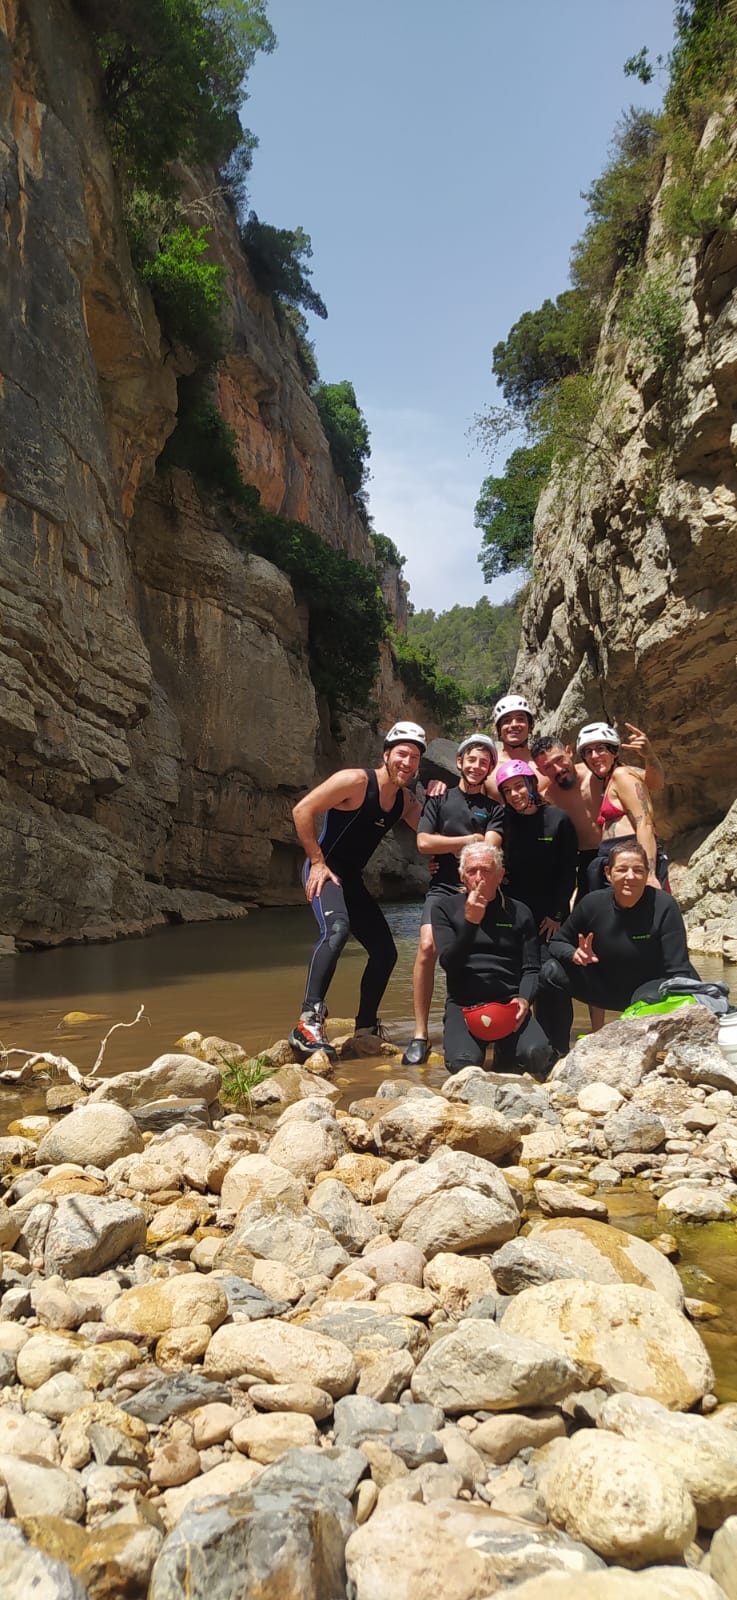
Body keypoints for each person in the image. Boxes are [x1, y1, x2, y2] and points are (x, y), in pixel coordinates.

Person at [288, 721, 425, 1059]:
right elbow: (302, 810)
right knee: (336, 929)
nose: (407, 763)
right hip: (325, 870)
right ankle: (308, 1021)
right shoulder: (356, 781)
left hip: (352, 879)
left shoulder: (404, 801)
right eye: (402, 754)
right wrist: (317, 862)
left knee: (385, 951)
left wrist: (439, 795)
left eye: (415, 758)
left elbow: (431, 832)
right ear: (387, 754)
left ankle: (364, 1028)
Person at [538, 840, 698, 1057]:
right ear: (608, 873)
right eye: (622, 869)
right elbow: (557, 943)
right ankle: (555, 1054)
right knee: (550, 972)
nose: (630, 877)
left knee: (649, 997)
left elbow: (678, 969)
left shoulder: (664, 905)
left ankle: (646, 1056)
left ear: (647, 874)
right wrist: (575, 954)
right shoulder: (593, 903)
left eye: (638, 870)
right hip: (604, 985)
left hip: (649, 989)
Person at [401, 734, 498, 1067]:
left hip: (480, 889)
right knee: (427, 948)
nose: (476, 766)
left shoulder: (494, 808)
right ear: (459, 762)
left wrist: (464, 846)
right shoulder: (438, 799)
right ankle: (419, 1034)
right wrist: (468, 840)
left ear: (490, 769)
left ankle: (482, 1023)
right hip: (442, 887)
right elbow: (424, 842)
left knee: (480, 952)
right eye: (471, 760)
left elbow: (491, 849)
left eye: (484, 762)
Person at [431, 840, 553, 1077]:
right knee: (463, 1067)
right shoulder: (444, 909)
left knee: (537, 1056)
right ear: (462, 876)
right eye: (472, 871)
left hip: (509, 1002)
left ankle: (506, 1050)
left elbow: (531, 968)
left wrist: (524, 1000)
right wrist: (471, 923)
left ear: (500, 875)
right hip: (464, 1003)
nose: (479, 878)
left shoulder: (519, 911)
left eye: (486, 870)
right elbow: (448, 963)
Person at [532, 724, 664, 902]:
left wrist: (650, 757)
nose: (557, 769)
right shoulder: (549, 797)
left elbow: (654, 784)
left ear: (569, 752)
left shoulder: (599, 770)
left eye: (559, 760)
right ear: (541, 771)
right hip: (589, 860)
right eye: (548, 767)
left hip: (625, 851)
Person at [489, 760, 578, 943]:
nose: (514, 794)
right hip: (513, 911)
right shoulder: (502, 820)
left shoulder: (558, 819)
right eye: (507, 791)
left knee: (550, 969)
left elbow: (568, 871)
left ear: (532, 784)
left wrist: (557, 914)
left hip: (550, 915)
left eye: (519, 786)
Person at [576, 722, 668, 892]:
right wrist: (650, 759)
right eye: (588, 752)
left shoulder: (622, 775)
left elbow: (644, 823)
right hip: (617, 860)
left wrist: (649, 873)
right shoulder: (618, 776)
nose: (594, 756)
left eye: (601, 749)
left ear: (614, 751)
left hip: (631, 863)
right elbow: (656, 782)